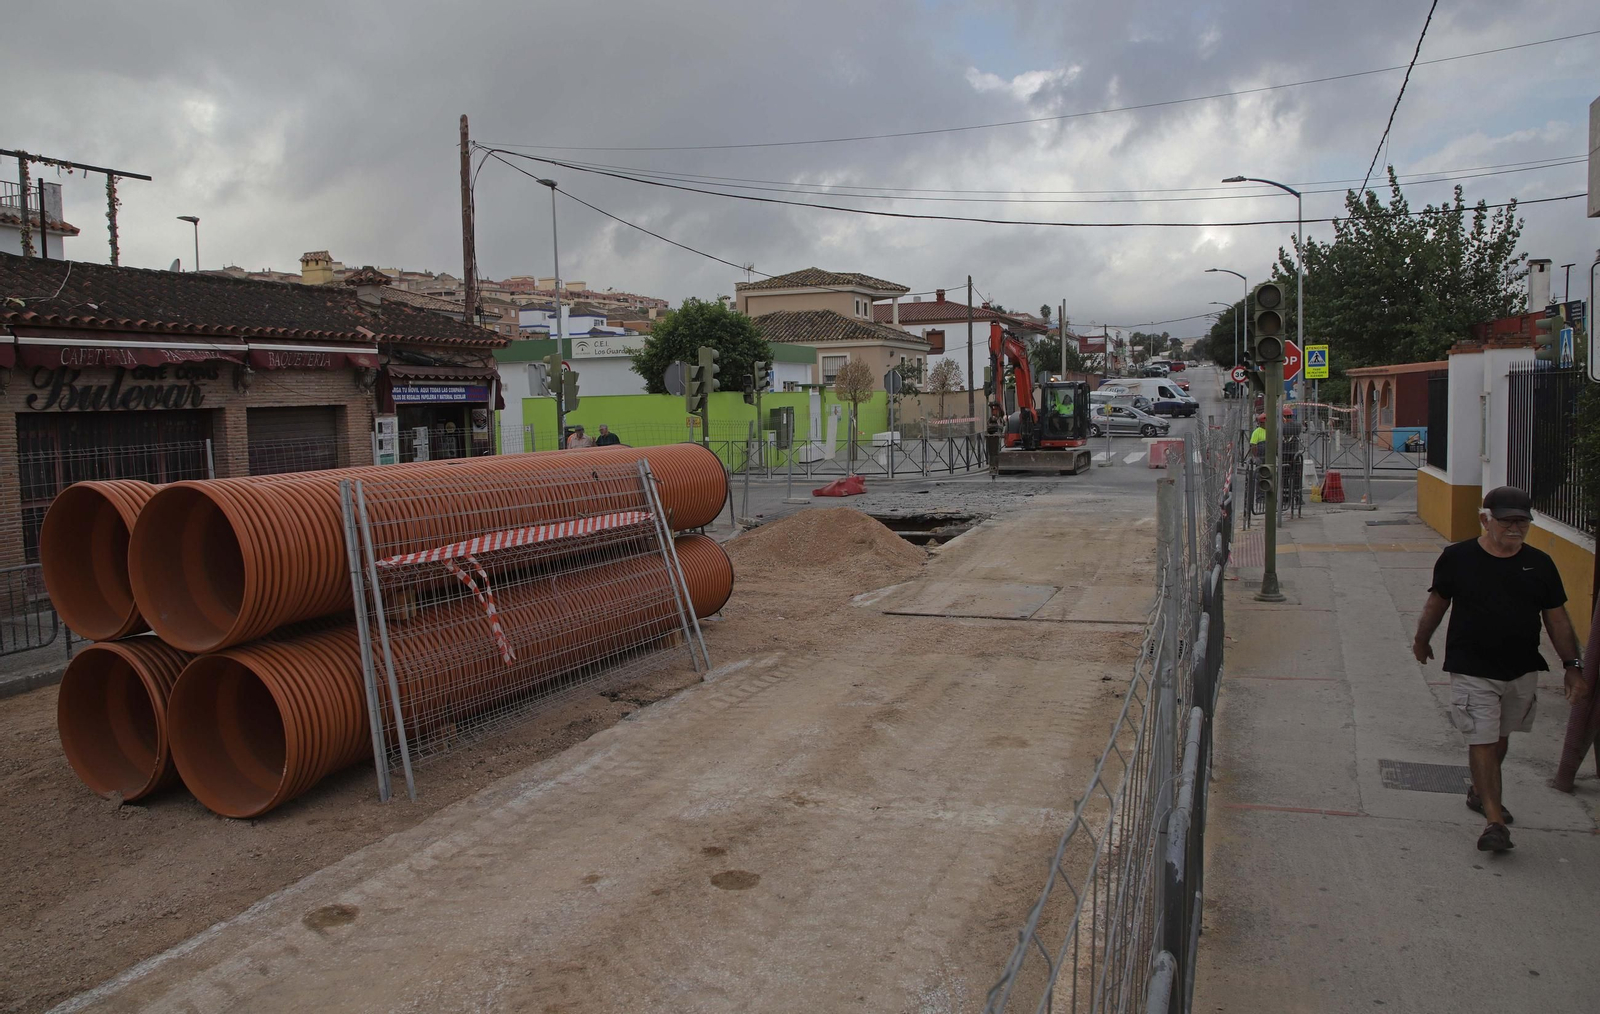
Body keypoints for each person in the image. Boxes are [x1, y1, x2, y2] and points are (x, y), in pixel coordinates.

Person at [1412, 486, 1587, 853]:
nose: (1515, 528)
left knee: (1500, 735)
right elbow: (1437, 602)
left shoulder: (1540, 564)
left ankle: (1479, 791)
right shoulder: (1457, 558)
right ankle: (1494, 821)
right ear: (1484, 519)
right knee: (1483, 738)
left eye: (1522, 521)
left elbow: (1557, 620)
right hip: (1471, 666)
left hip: (1521, 670)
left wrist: (1572, 666)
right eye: (1507, 521)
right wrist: (1422, 639)